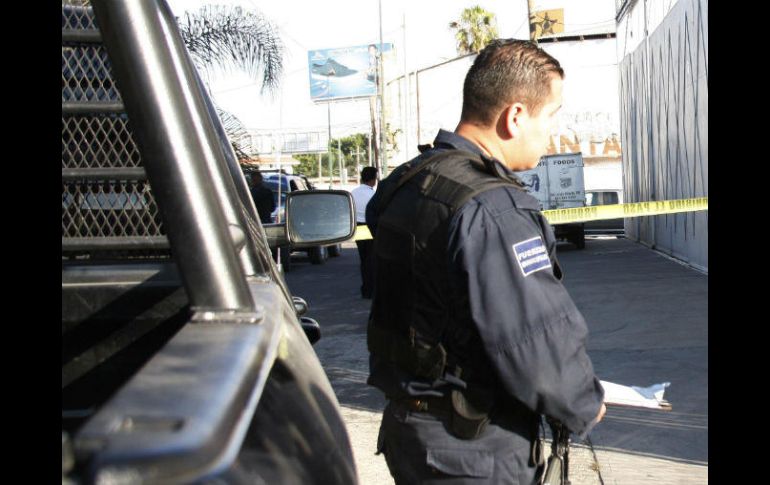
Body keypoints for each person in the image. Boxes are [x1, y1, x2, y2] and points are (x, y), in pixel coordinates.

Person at [366, 39, 606, 484]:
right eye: (551, 115)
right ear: (515, 116)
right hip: (475, 448)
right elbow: (534, 340)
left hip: (411, 430)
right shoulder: (494, 210)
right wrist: (583, 401)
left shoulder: (410, 180)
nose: (552, 131)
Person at [351, 167, 378, 299]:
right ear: (373, 179)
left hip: (358, 227)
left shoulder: (353, 193)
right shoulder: (373, 195)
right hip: (370, 227)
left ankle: (366, 288)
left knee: (364, 259)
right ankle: (372, 288)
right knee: (372, 259)